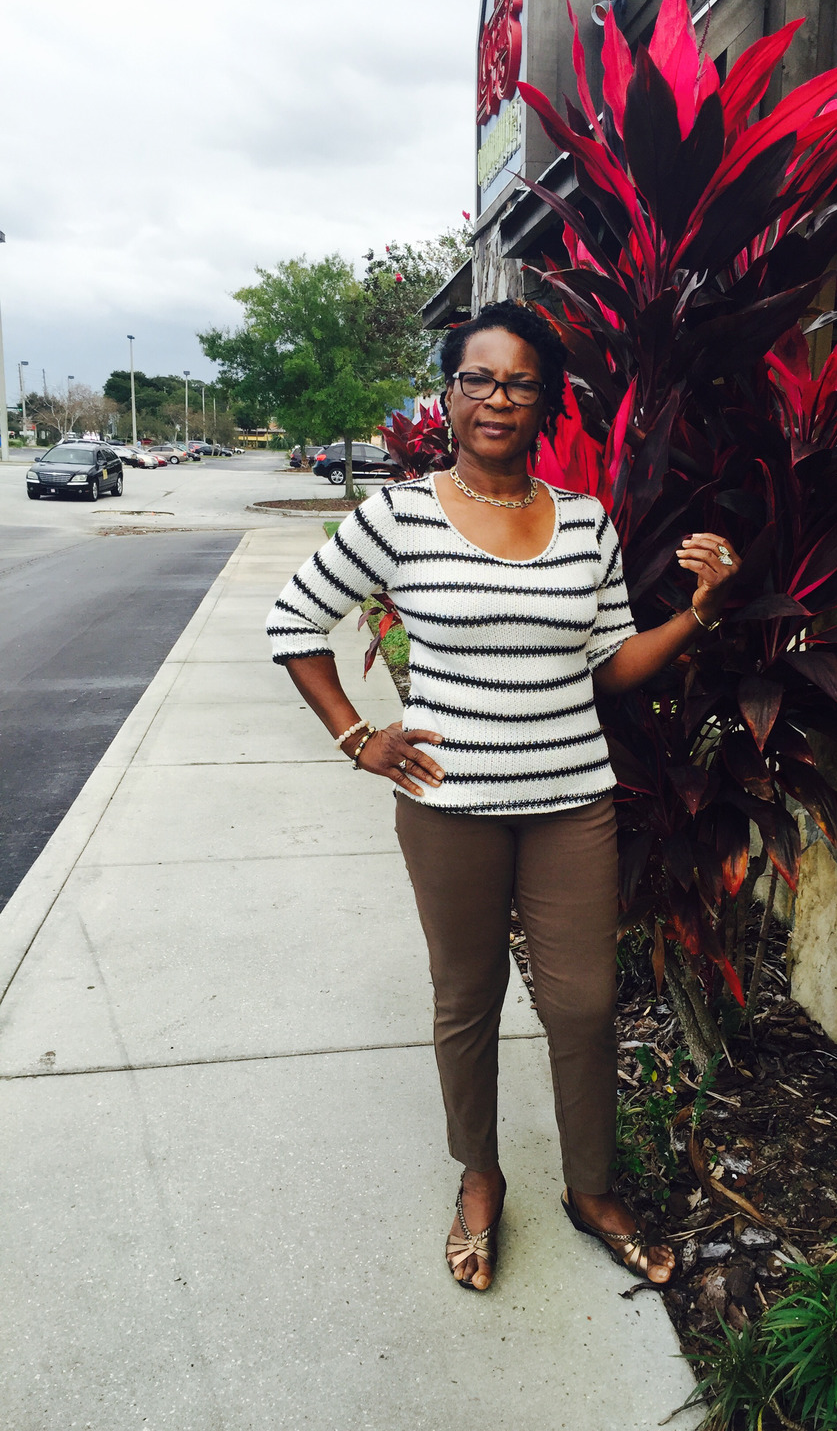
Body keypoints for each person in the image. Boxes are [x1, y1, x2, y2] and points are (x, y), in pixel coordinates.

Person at [267, 300, 740, 1292]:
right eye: (477, 378)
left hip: (572, 802)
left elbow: (612, 664)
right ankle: (479, 1176)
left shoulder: (585, 521)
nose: (497, 398)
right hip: (450, 806)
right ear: (448, 395)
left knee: (585, 1005)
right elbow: (295, 621)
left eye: (520, 382)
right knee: (467, 997)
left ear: (545, 401)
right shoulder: (397, 516)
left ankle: (591, 1188)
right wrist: (357, 736)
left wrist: (699, 614)